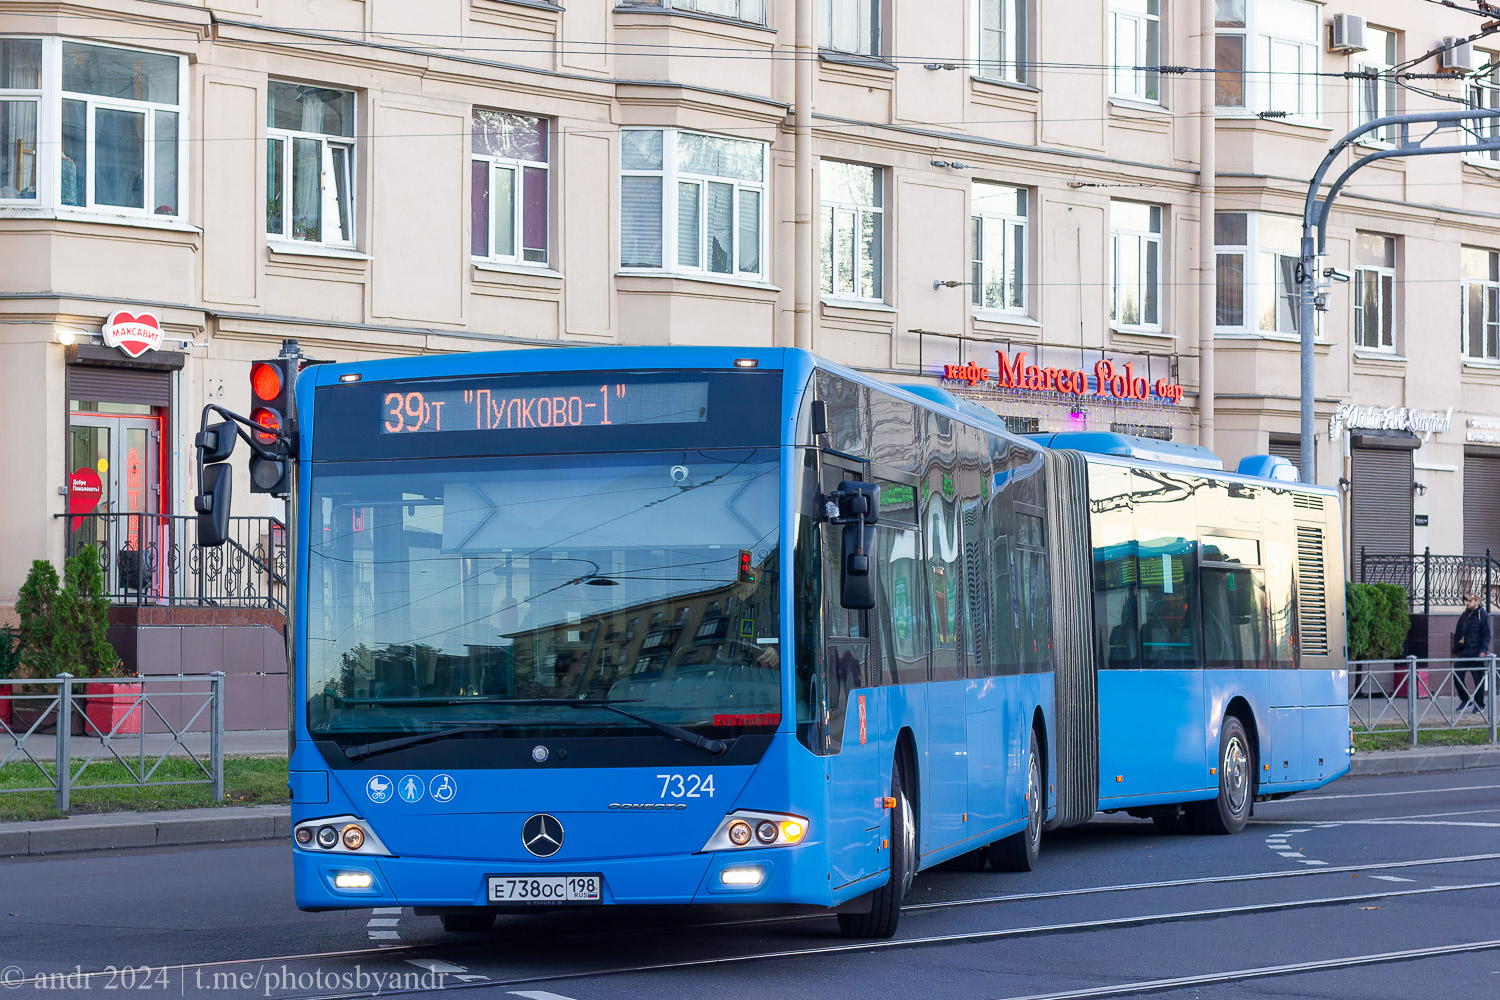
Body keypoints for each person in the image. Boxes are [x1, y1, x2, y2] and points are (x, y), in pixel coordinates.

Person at [1451, 592, 1491, 715]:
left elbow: (1487, 634)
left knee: (1478, 679)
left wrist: (1483, 650)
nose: (1466, 603)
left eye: (1469, 601)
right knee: (1457, 675)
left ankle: (1479, 704)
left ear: (1476, 602)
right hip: (1463, 652)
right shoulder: (1464, 615)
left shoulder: (1482, 615)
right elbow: (1458, 633)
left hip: (1476, 653)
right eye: (1465, 601)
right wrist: (1455, 650)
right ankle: (1466, 699)